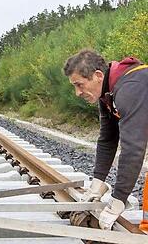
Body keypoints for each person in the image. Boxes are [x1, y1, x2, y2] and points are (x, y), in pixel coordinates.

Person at [63, 49, 148, 230]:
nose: (77, 92)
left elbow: (133, 150)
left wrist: (118, 200)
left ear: (98, 75)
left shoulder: (130, 88)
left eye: (79, 84)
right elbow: (107, 139)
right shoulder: (108, 92)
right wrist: (97, 183)